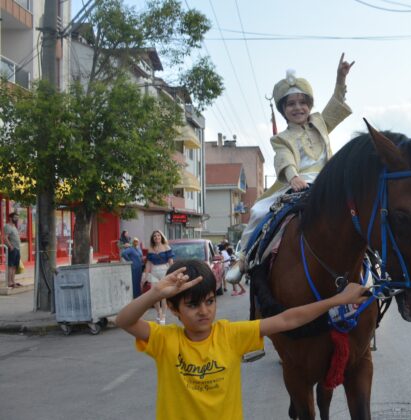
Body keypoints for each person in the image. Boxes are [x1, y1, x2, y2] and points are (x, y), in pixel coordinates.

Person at [116, 259, 368, 420]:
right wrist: (155, 294)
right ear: (173, 309)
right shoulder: (165, 340)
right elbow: (123, 320)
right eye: (192, 305)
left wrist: (338, 300)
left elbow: (287, 320)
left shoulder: (230, 334)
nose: (204, 311)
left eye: (210, 301)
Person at [241, 53, 354, 245]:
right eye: (291, 104)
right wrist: (293, 177)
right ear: (283, 109)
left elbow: (335, 103)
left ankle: (370, 254)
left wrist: (340, 79)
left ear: (309, 106)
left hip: (328, 180)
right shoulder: (281, 138)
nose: (298, 108)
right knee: (258, 211)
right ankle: (244, 256)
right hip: (297, 184)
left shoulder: (320, 122)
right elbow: (284, 159)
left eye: (303, 103)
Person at [144, 230, 174, 324]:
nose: (157, 237)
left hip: (164, 270)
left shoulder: (166, 247)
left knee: (163, 294)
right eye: (155, 236)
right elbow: (148, 263)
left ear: (161, 237)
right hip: (154, 271)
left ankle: (163, 315)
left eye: (158, 235)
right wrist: (145, 275)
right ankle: (159, 312)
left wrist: (172, 273)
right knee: (154, 294)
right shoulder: (150, 248)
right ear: (153, 238)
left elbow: (170, 261)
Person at [3, 212, 21, 288]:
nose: (16, 219)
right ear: (10, 218)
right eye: (15, 217)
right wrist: (10, 246)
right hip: (12, 249)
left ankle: (13, 281)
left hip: (17, 248)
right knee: (11, 265)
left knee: (14, 266)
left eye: (17, 217)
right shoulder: (7, 226)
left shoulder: (14, 226)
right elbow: (5, 237)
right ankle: (9, 282)